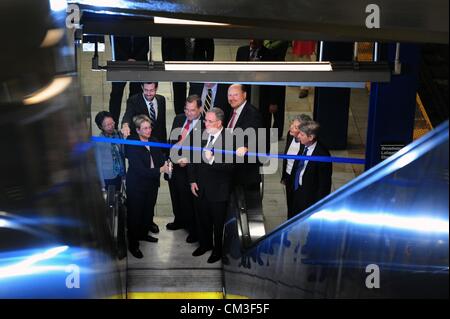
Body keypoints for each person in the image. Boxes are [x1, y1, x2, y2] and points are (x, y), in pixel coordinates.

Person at [188, 108, 233, 263]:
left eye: (209, 121)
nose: (205, 123)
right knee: (202, 220)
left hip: (218, 190)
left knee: (218, 224)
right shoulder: (200, 135)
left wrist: (212, 159)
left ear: (219, 123)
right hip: (200, 187)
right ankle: (205, 245)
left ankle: (217, 250)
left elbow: (230, 167)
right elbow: (193, 159)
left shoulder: (230, 139)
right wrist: (192, 180)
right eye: (205, 120)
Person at [125, 115, 171, 259]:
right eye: (145, 128)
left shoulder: (154, 140)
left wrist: (166, 164)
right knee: (135, 215)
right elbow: (139, 169)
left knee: (147, 212)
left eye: (149, 127)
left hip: (151, 184)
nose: (148, 130)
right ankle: (133, 245)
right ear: (137, 130)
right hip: (137, 185)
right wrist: (160, 169)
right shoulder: (131, 142)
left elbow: (159, 159)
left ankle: (143, 235)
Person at [166, 95, 205, 244]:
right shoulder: (178, 119)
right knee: (175, 195)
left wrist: (188, 160)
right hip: (174, 166)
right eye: (186, 110)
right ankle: (179, 221)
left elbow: (205, 149)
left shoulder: (205, 124)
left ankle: (193, 229)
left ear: (200, 109)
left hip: (190, 168)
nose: (189, 113)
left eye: (192, 110)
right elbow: (171, 140)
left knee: (189, 201)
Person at [291, 120, 332, 219]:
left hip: (310, 197)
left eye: (301, 134)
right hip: (298, 190)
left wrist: (317, 206)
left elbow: (324, 185)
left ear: (311, 137)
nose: (298, 136)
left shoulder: (322, 155)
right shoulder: (303, 144)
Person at [226, 84, 264, 189]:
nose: (232, 98)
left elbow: (259, 137)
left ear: (245, 95)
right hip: (234, 169)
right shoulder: (233, 110)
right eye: (229, 95)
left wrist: (246, 147)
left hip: (245, 173)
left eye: (235, 95)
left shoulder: (252, 113)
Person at [108, 36, 149, 128]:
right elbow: (114, 42)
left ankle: (131, 125)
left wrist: (135, 60)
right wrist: (126, 59)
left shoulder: (143, 24)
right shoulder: (118, 24)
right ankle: (113, 126)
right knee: (116, 94)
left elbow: (146, 45)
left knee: (135, 96)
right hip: (120, 62)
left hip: (139, 63)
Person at [280, 114, 312, 218]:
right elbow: (287, 158)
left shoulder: (306, 143)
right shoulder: (290, 135)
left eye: (295, 127)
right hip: (289, 177)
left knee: (298, 207)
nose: (291, 128)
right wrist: (284, 176)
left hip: (299, 180)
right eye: (292, 125)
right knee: (290, 204)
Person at [94, 111, 126, 191]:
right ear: (101, 127)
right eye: (107, 125)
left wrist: (124, 176)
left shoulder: (119, 135)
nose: (111, 126)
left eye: (112, 123)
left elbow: (122, 155)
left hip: (119, 175)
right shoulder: (98, 142)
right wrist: (102, 185)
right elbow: (98, 164)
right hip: (108, 178)